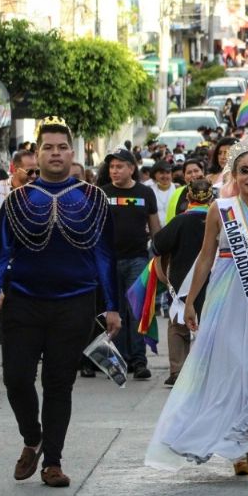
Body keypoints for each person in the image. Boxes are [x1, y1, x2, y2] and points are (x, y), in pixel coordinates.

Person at [145, 134, 248, 482]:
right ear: (234, 173)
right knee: (229, 367)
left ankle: (242, 445)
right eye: (244, 170)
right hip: (225, 293)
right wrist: (187, 300)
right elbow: (205, 257)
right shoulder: (220, 210)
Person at [0, 117, 120, 487]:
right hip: (23, 304)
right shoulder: (18, 200)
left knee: (59, 384)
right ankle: (32, 437)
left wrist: (112, 305)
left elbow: (105, 256)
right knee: (16, 379)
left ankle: (52, 461)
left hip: (75, 304)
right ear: (35, 155)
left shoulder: (93, 198)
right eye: (47, 148)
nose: (55, 153)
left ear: (72, 154)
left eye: (61, 147)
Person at [99, 148, 161, 380]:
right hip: (109, 261)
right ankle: (119, 362)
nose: (115, 171)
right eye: (112, 167)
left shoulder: (145, 193)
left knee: (137, 310)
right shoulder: (102, 193)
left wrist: (161, 256)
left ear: (131, 168)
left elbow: (155, 228)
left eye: (120, 166)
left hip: (138, 259)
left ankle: (139, 361)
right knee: (115, 312)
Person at [151, 180, 214, 387]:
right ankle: (208, 369)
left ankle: (178, 371)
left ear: (188, 197)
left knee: (178, 325)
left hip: (181, 281)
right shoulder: (220, 221)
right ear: (211, 197)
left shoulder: (180, 221)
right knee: (210, 324)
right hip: (213, 280)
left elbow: (158, 245)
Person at [0, 149, 38, 225]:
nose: (34, 176)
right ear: (15, 169)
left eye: (37, 171)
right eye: (30, 172)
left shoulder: (38, 190)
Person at [148, 161, 177, 227]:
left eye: (168, 173)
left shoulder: (177, 188)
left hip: (174, 230)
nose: (165, 176)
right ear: (154, 175)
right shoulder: (149, 190)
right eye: (161, 173)